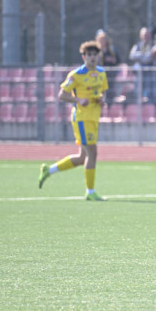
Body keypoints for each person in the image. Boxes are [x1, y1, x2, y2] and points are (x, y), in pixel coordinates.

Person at [38, 41, 109, 201]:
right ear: (84, 57)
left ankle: (49, 170)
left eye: (94, 55)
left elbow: (102, 91)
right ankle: (90, 192)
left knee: (82, 158)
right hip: (82, 119)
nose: (92, 58)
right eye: (89, 55)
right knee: (93, 152)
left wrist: (101, 100)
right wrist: (78, 100)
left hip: (93, 117)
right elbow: (62, 94)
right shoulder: (76, 75)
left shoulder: (101, 73)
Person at [129, 27, 155, 100]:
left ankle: (148, 104)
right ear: (141, 36)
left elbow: (149, 58)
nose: (145, 37)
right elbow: (131, 55)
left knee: (148, 90)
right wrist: (142, 55)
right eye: (144, 35)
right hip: (138, 72)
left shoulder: (153, 45)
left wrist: (140, 57)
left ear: (150, 36)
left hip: (148, 72)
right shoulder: (137, 45)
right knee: (137, 89)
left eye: (147, 35)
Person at [95, 29, 120, 102]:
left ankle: (109, 106)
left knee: (109, 91)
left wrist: (112, 60)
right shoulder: (95, 50)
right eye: (101, 39)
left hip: (110, 74)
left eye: (104, 39)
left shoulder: (112, 49)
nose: (102, 41)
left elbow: (118, 60)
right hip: (99, 74)